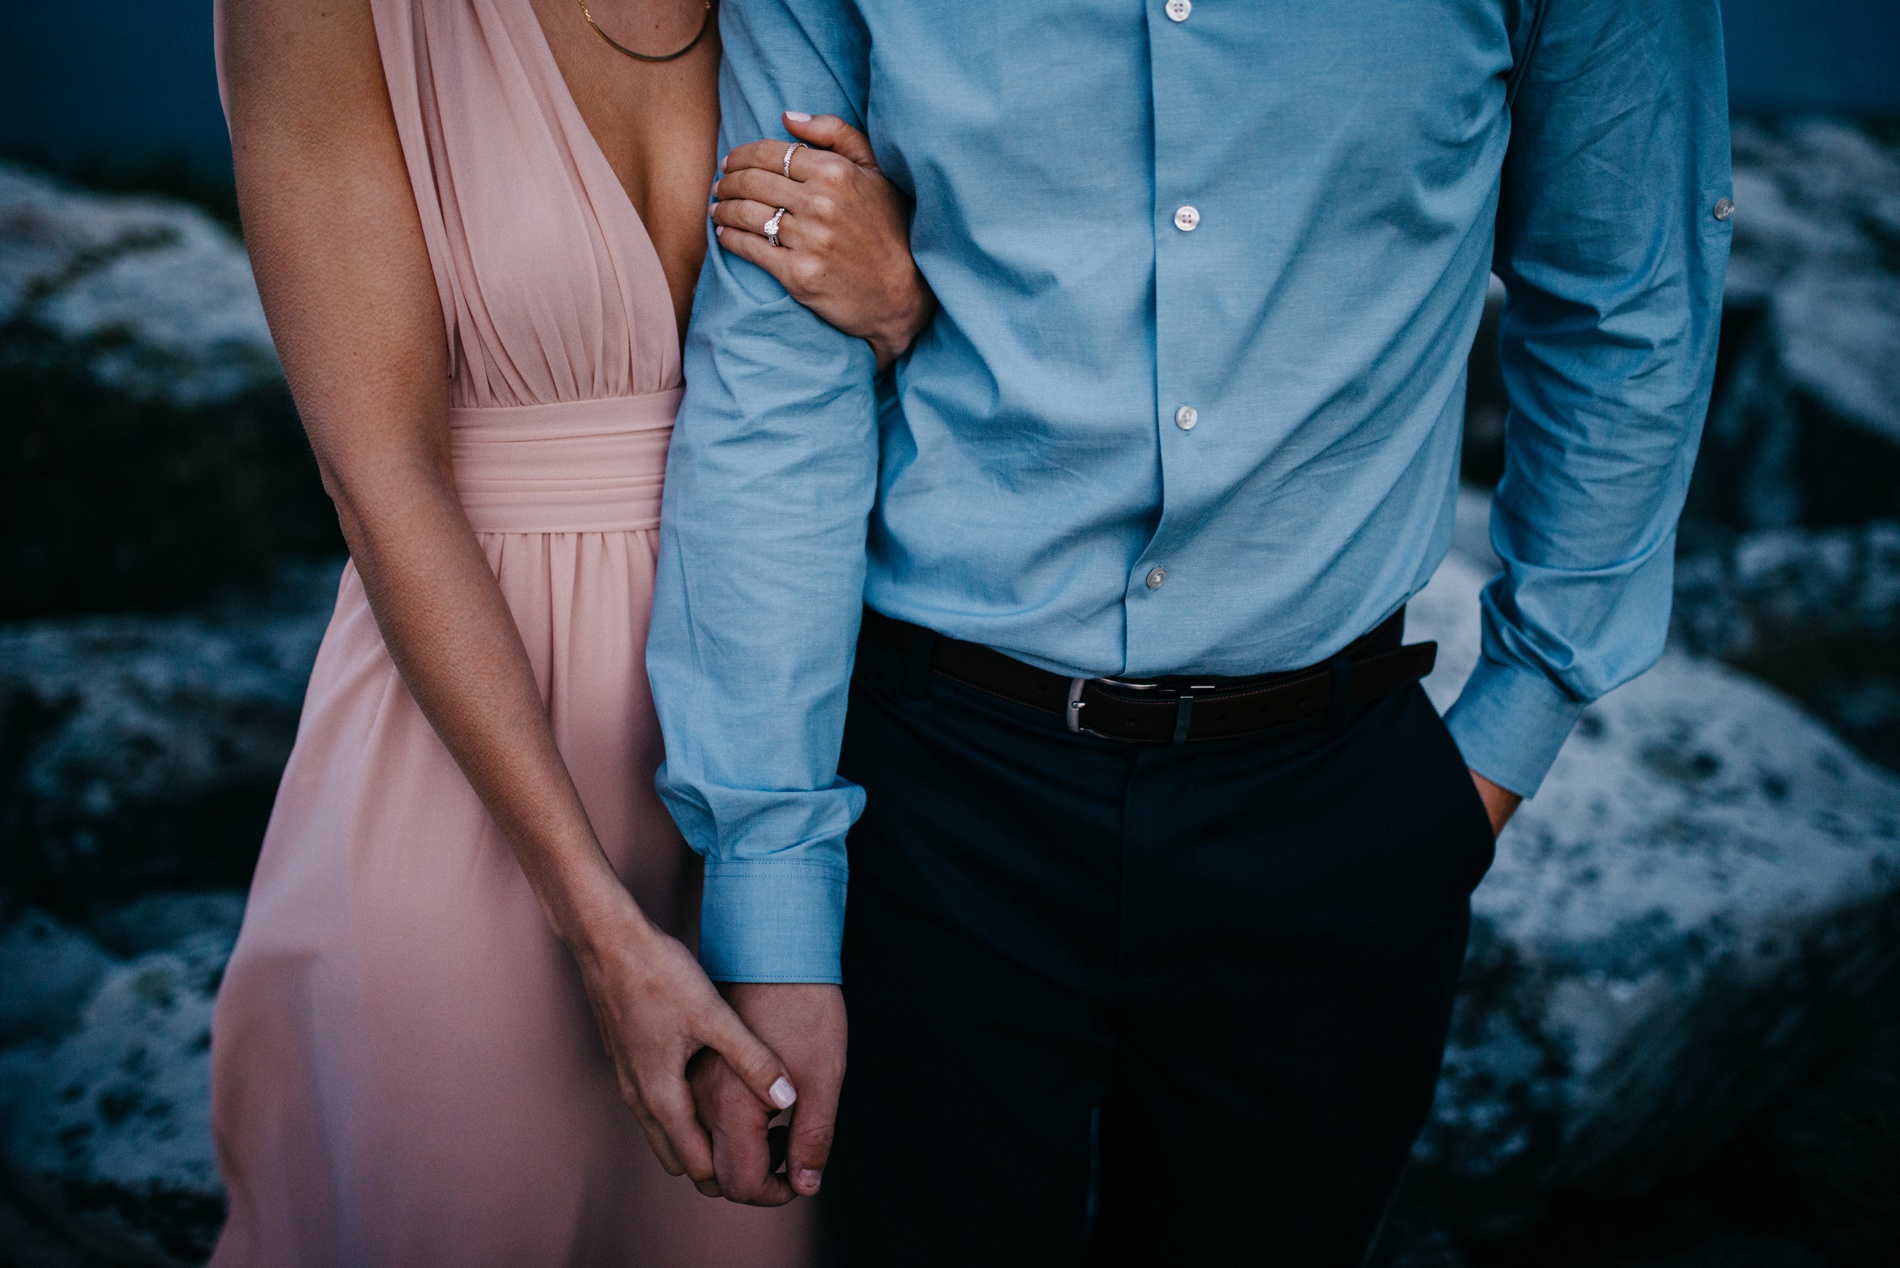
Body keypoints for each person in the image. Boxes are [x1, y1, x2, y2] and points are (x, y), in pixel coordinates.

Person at [656, 0, 1732, 1262]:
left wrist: (1502, 735)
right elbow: (778, 370)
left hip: (1334, 811)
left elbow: (1626, 296)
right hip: (930, 800)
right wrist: (770, 881)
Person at [206, 0, 929, 1262]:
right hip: (480, 774)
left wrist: (905, 310)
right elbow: (381, 481)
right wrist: (600, 927)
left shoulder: (832, 12)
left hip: (810, 748)